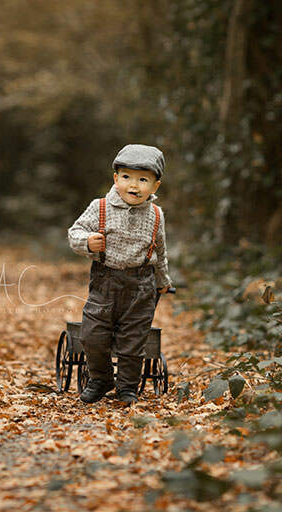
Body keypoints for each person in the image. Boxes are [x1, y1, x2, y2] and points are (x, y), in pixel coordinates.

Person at [67, 144, 172, 405]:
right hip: (106, 281)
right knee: (92, 336)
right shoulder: (100, 206)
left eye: (143, 179)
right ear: (116, 179)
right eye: (126, 177)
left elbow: (160, 250)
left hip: (141, 285)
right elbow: (74, 232)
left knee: (133, 341)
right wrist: (87, 242)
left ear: (155, 186)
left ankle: (127, 387)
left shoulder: (156, 215)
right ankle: (101, 379)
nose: (133, 185)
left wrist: (163, 281)